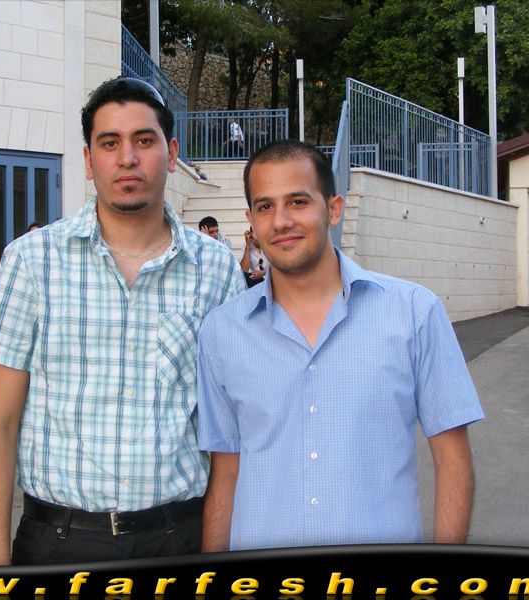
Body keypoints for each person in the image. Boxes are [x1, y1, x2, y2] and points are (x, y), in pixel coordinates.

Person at [0, 77, 245, 565]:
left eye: (144, 140)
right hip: (58, 544)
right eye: (110, 143)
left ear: (171, 152)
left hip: (178, 538)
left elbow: (228, 432)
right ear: (88, 159)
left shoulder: (216, 269)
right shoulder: (32, 261)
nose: (128, 158)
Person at [197, 140, 484, 551]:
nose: (281, 221)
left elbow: (453, 461)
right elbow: (225, 473)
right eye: (265, 206)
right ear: (251, 221)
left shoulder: (414, 313)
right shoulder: (222, 332)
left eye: (298, 202)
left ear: (333, 209)